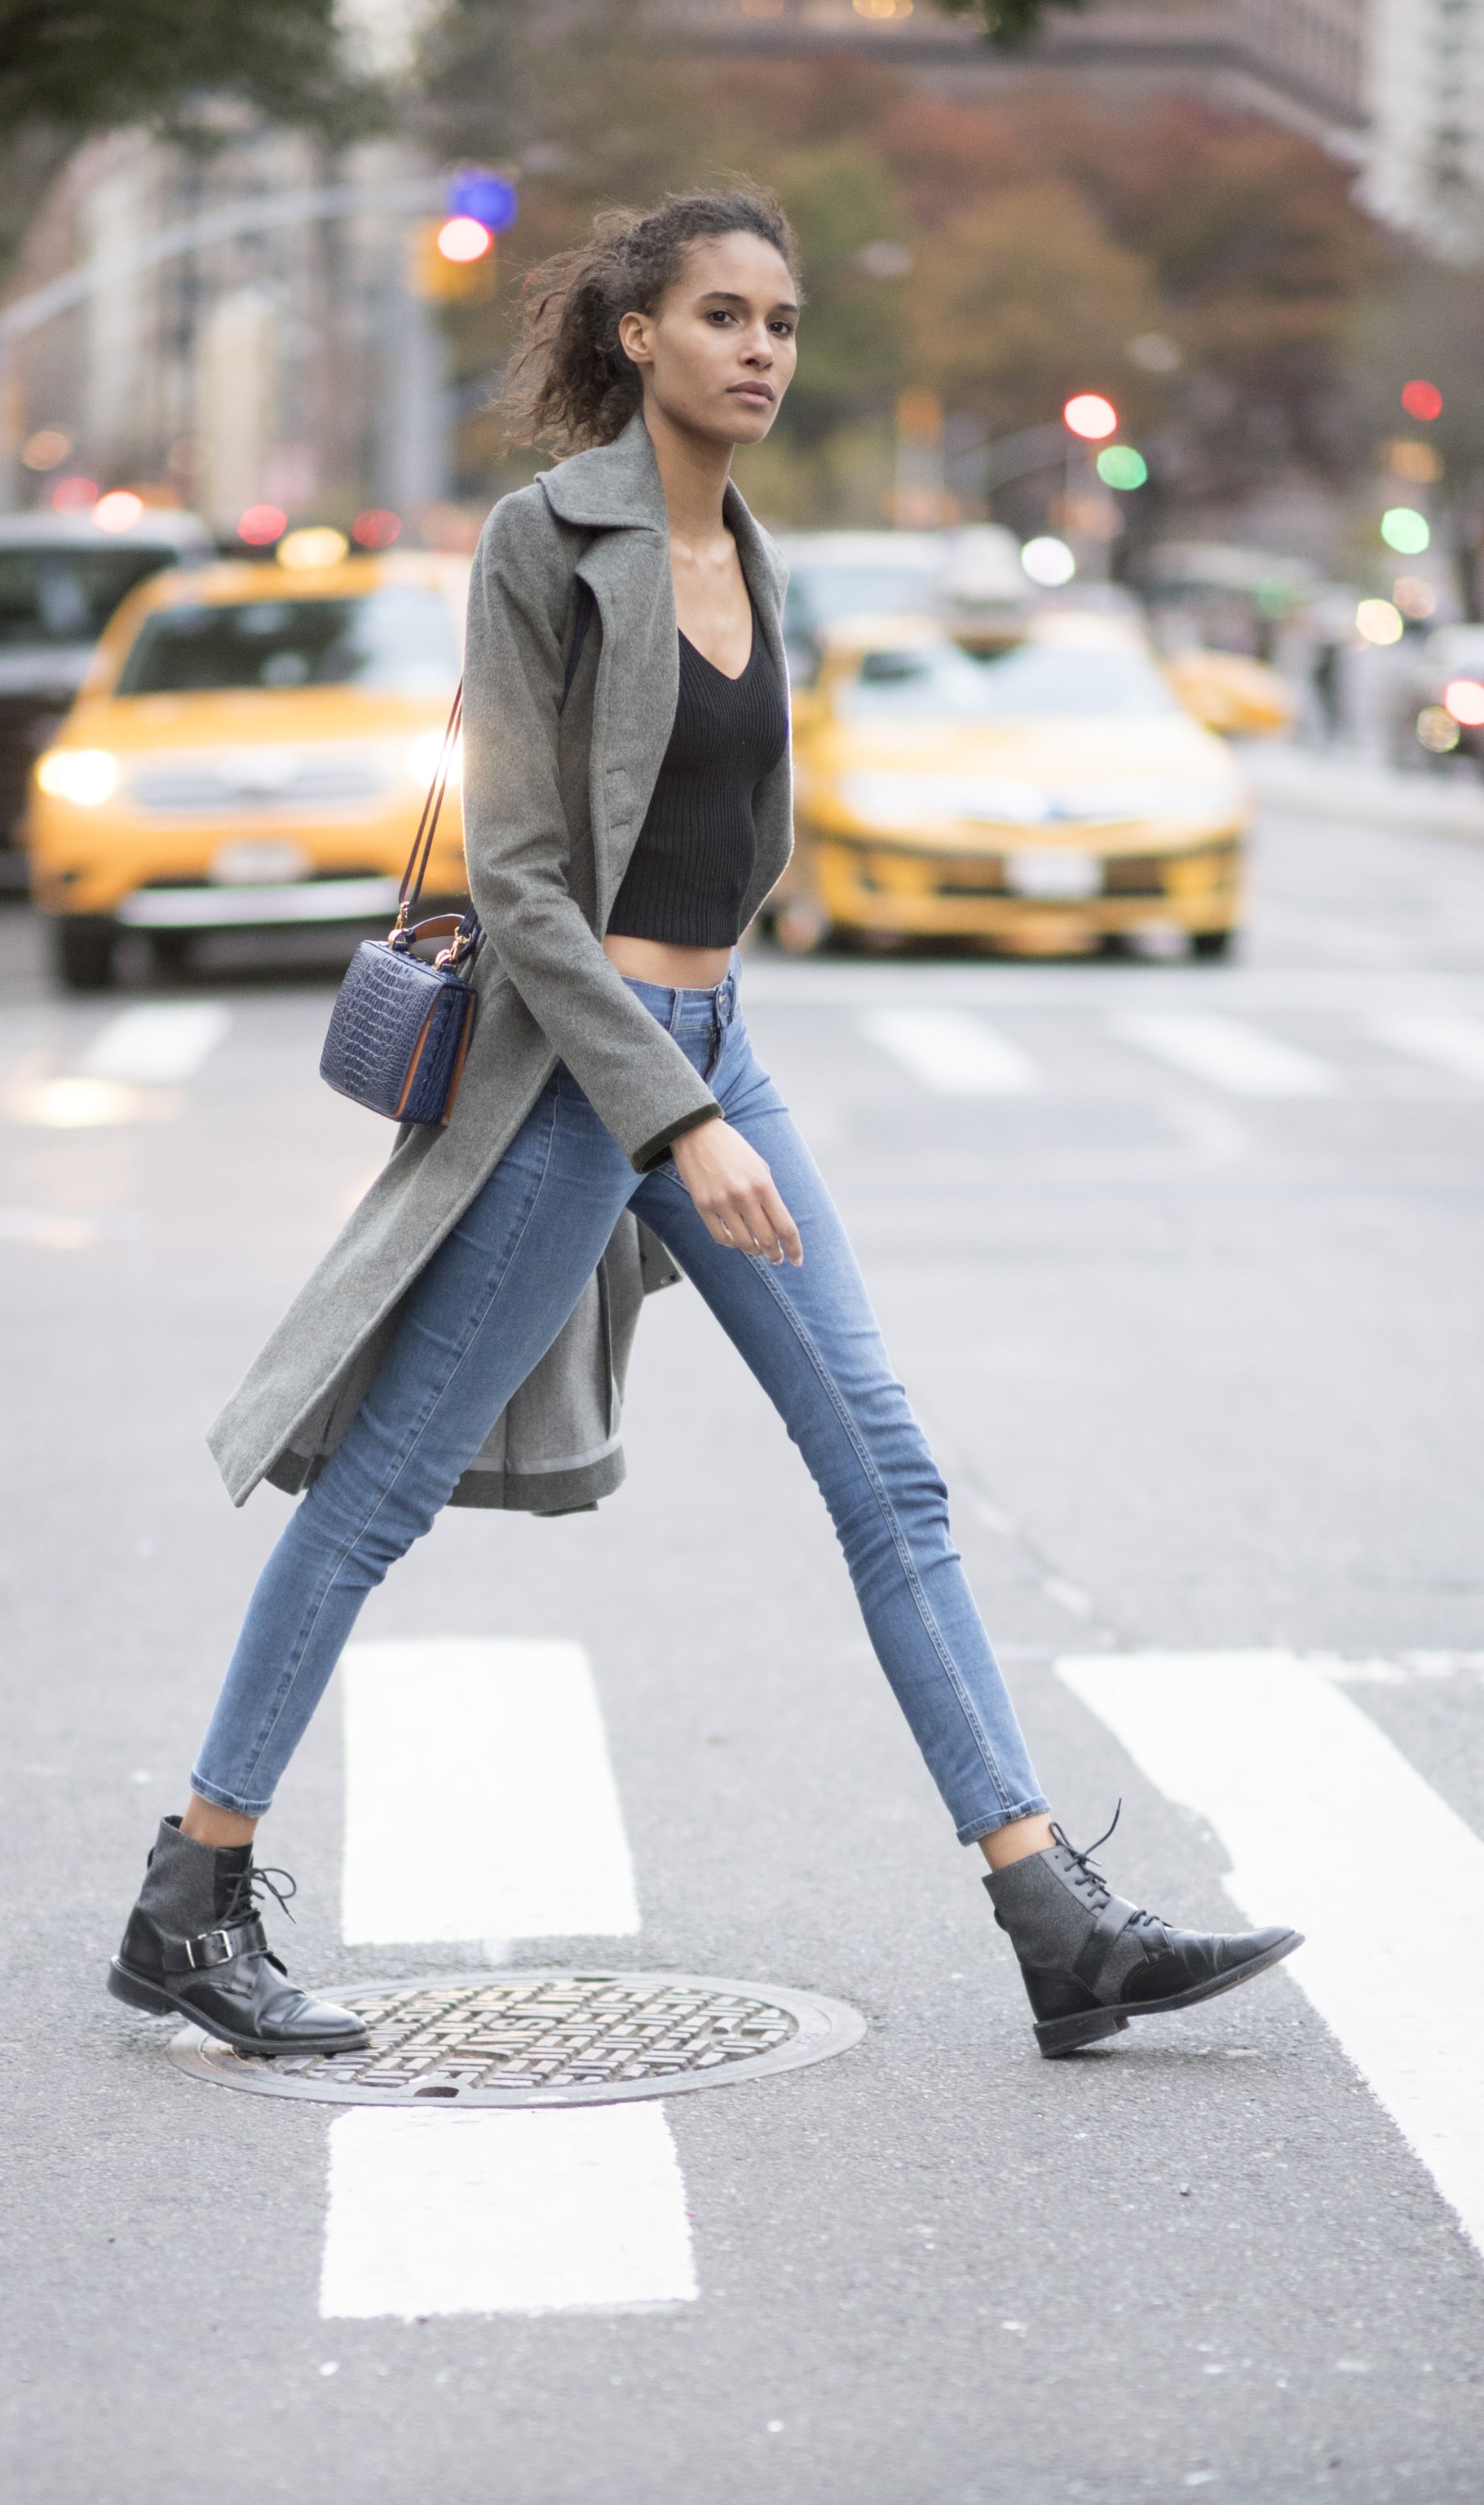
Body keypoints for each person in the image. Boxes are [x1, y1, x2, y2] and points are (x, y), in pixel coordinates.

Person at [108, 189, 1301, 2062]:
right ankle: (191, 1891)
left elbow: (732, 842)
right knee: (382, 1495)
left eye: (784, 322)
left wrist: (708, 1067)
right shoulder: (541, 544)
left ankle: (1049, 1913)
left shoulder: (760, 552)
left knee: (888, 1473)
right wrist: (670, 1124)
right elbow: (515, 882)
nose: (760, 348)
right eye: (723, 317)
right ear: (637, 337)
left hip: (709, 1043)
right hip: (580, 1072)